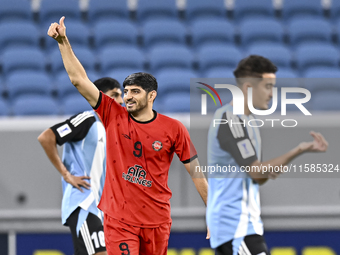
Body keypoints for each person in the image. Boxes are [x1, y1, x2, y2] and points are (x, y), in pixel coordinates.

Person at [47, 16, 209, 255]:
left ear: (151, 95)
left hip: (157, 221)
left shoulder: (174, 128)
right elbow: (78, 80)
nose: (128, 96)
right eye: (126, 91)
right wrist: (63, 42)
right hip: (119, 219)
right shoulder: (113, 115)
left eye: (135, 91)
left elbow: (196, 173)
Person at [206, 55, 328, 255]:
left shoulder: (249, 123)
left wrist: (269, 168)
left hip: (246, 224)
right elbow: (256, 172)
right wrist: (299, 150)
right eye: (268, 86)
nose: (272, 94)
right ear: (248, 88)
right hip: (233, 225)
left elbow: (259, 177)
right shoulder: (229, 120)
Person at [38, 77, 123, 255]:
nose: (121, 100)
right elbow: (46, 137)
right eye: (114, 95)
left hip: (101, 208)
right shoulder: (87, 120)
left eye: (121, 96)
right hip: (84, 203)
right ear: (99, 97)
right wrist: (66, 175)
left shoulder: (113, 129)